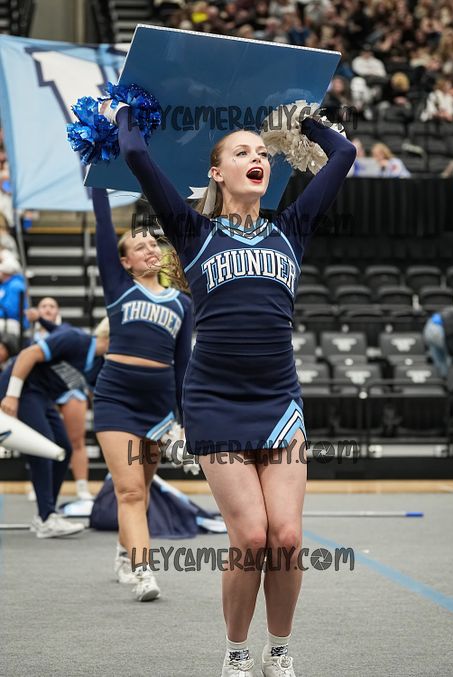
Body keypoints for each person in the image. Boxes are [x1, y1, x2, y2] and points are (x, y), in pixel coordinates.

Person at [101, 97, 355, 676]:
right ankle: (236, 651)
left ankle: (279, 649)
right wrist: (125, 110)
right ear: (216, 173)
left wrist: (300, 122)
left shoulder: (291, 228)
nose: (256, 157)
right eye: (241, 152)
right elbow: (135, 151)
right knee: (251, 536)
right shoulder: (192, 231)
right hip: (215, 403)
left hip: (279, 402)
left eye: (262, 152)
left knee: (286, 536)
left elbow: (343, 153)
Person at [91, 186, 193, 602]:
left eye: (154, 243)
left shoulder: (182, 304)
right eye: (139, 245)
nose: (150, 249)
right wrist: (97, 180)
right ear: (125, 262)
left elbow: (183, 368)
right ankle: (143, 570)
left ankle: (123, 551)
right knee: (130, 490)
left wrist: (183, 423)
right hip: (116, 400)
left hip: (158, 408)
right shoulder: (119, 286)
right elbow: (102, 224)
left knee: (142, 489)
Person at [0, 326, 108, 537]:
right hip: (24, 389)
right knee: (43, 449)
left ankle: (46, 515)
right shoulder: (74, 339)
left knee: (63, 449)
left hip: (44, 397)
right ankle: (46, 517)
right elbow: (28, 354)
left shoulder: (99, 364)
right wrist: (11, 395)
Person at [25, 297, 93, 500]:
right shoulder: (30, 338)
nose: (47, 309)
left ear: (58, 311)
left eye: (52, 306)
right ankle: (39, 486)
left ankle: (82, 487)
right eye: (43, 306)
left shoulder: (66, 331)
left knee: (76, 440)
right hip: (44, 392)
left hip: (69, 388)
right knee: (40, 440)